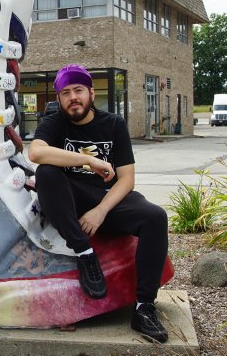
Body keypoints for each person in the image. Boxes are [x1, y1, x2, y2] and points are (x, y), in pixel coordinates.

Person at [28, 64, 169, 343]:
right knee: (46, 172)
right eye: (65, 92)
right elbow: (36, 152)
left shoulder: (113, 124)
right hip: (69, 201)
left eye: (78, 90)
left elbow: (126, 179)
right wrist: (87, 159)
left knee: (155, 217)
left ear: (91, 93)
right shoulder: (55, 122)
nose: (73, 97)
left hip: (107, 199)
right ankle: (84, 254)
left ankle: (144, 307)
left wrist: (101, 211)